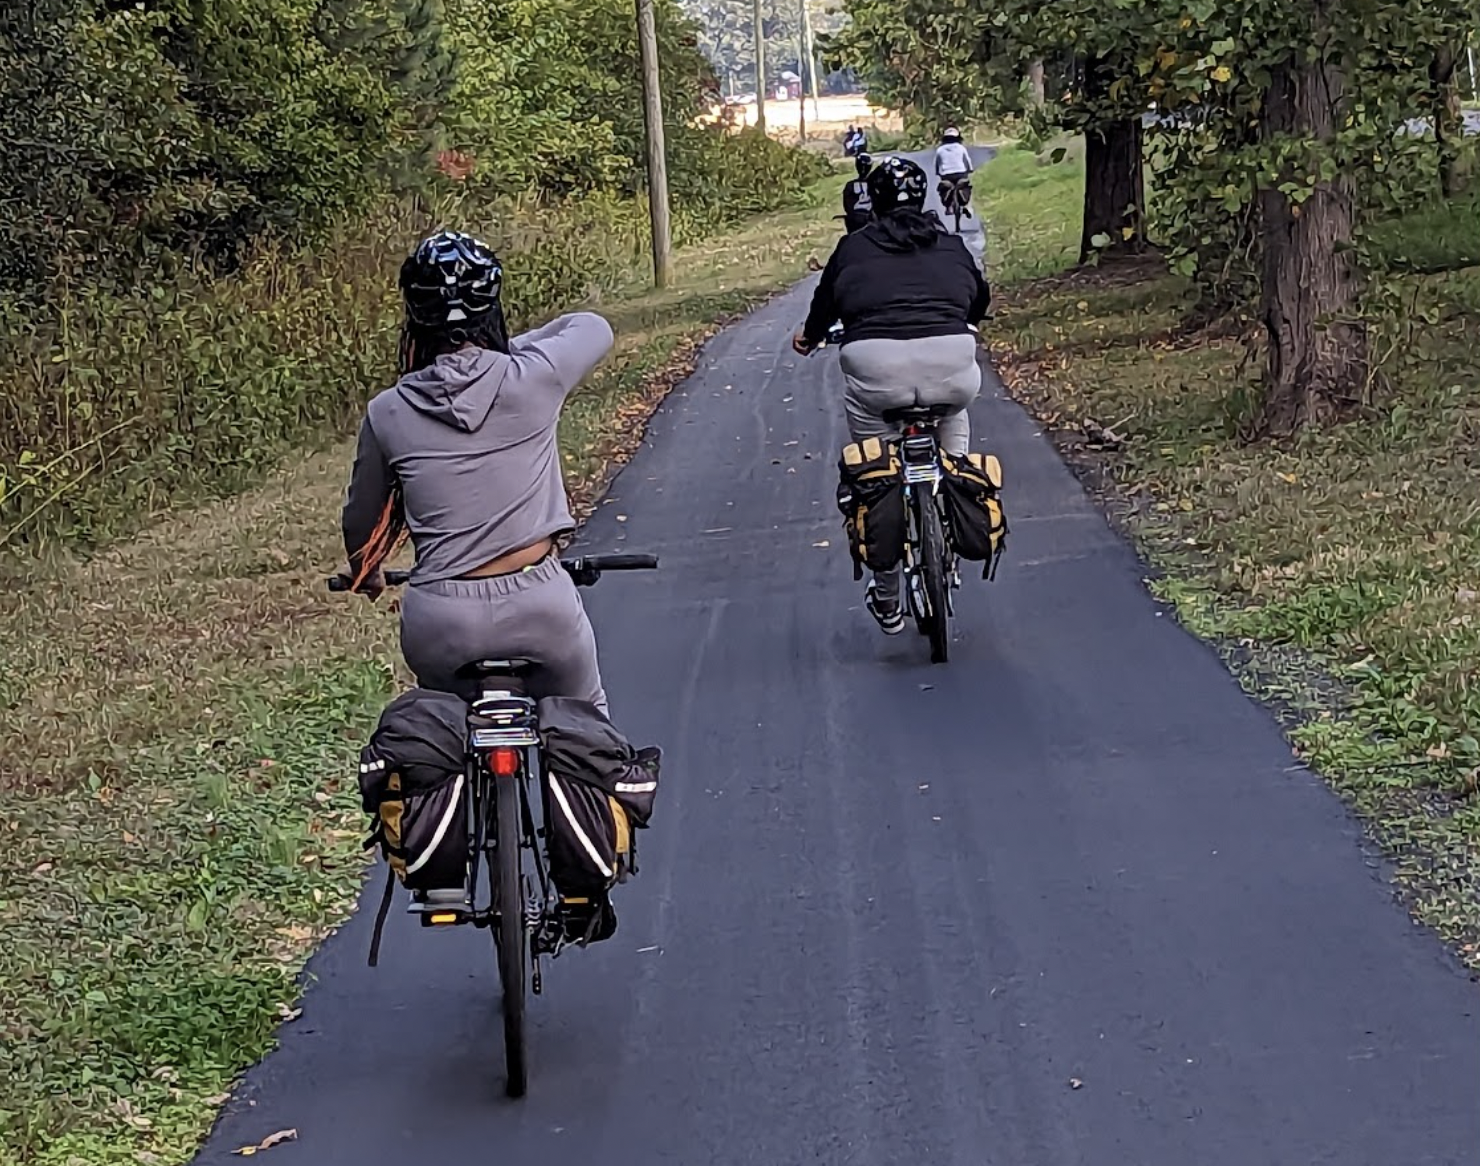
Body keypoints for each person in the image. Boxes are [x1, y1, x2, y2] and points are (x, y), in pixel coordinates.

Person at [340, 228, 617, 711]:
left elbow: (362, 519)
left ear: (414, 319)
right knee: (587, 721)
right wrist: (495, 350)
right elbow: (592, 326)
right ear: (491, 308)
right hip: (540, 605)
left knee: (444, 736)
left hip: (441, 619)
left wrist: (367, 572)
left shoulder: (388, 411)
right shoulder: (535, 375)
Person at [791, 156, 990, 635]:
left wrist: (809, 337)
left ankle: (888, 598)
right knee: (954, 410)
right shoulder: (951, 243)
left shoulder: (853, 248)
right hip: (950, 361)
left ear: (871, 201)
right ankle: (956, 476)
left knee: (875, 470)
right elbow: (978, 302)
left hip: (875, 367)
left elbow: (825, 305)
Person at [934, 126, 974, 220]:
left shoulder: (940, 150)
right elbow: (967, 161)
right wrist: (970, 169)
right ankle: (967, 206)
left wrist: (938, 172)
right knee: (966, 187)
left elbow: (937, 163)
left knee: (944, 189)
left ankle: (949, 206)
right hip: (961, 173)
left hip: (946, 175)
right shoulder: (961, 148)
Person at [841, 151, 874, 233]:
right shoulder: (875, 183)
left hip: (854, 219)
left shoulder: (850, 185)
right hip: (871, 219)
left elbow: (847, 205)